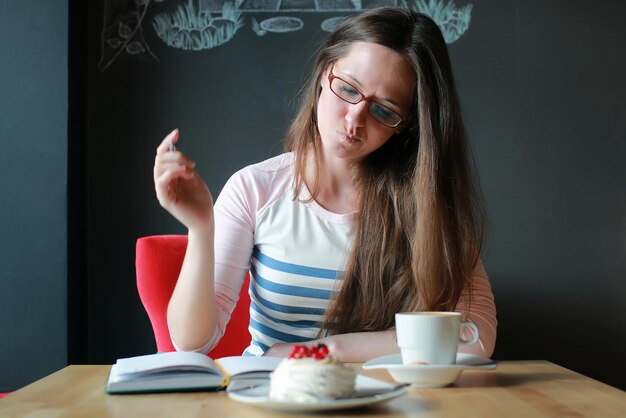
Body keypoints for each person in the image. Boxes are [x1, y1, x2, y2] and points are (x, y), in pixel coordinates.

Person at [153, 6, 497, 362]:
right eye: (348, 89)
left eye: (383, 110)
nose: (354, 120)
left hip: (384, 403)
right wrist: (200, 227)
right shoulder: (255, 189)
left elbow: (475, 340)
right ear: (323, 72)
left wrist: (320, 351)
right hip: (273, 398)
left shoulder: (429, 203)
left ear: (407, 125)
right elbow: (192, 343)